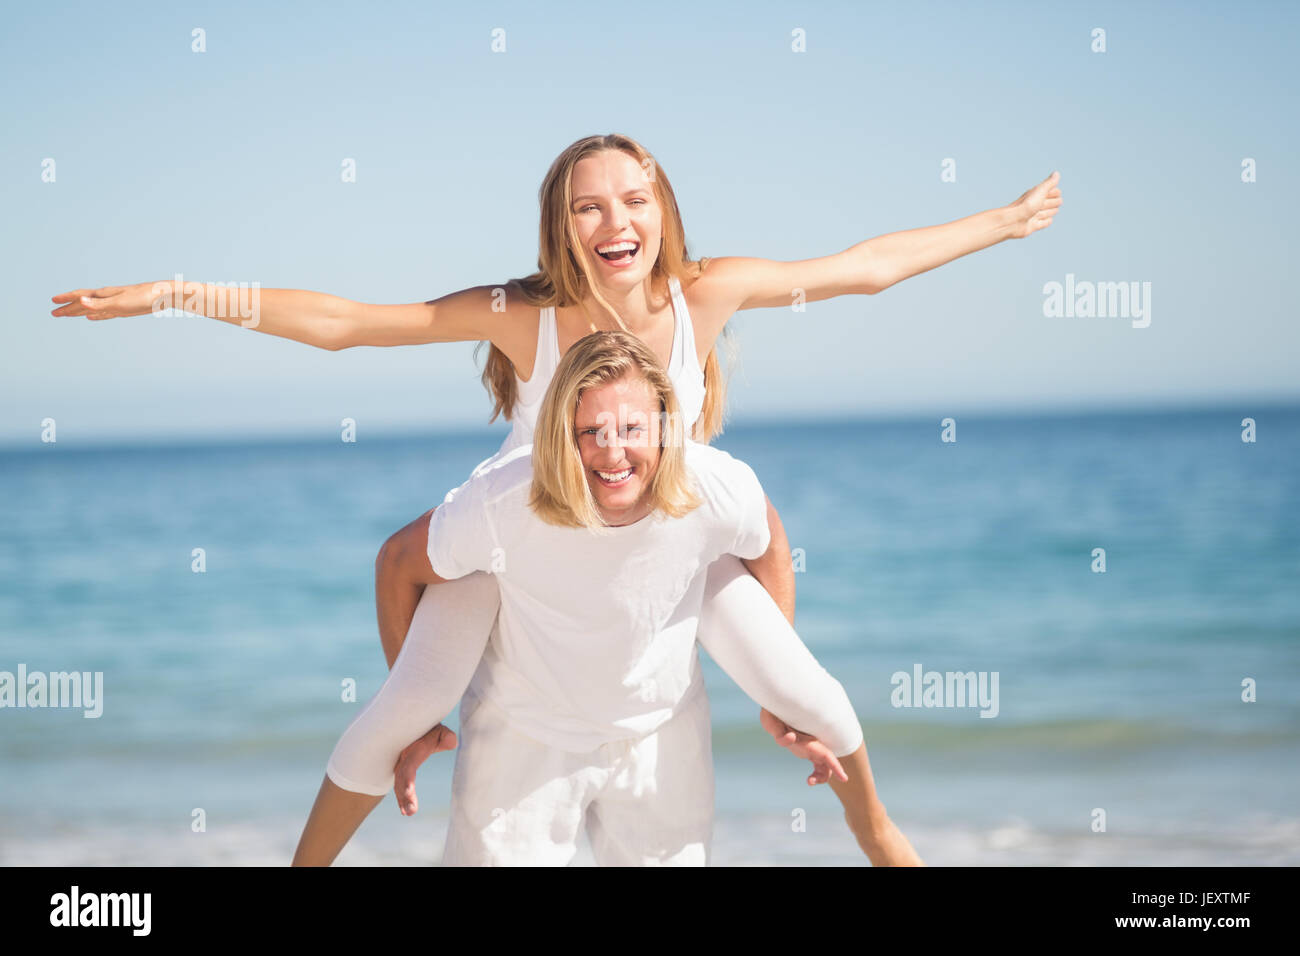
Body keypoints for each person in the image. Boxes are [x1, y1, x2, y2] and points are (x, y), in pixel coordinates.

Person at [51, 132, 1060, 856]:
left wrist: (1003, 223)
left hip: (662, 534)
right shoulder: (521, 312)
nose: (615, 221)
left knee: (813, 695)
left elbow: (864, 270)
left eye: (634, 199)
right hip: (522, 541)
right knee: (401, 706)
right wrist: (180, 293)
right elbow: (350, 323)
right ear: (560, 226)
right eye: (588, 205)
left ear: (662, 209)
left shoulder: (702, 291)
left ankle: (878, 833)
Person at [294, 330, 921, 865]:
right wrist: (419, 714)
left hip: (659, 733)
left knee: (819, 699)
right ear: (560, 436)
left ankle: (876, 832)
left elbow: (770, 541)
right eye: (589, 431)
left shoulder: (713, 487)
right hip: (523, 738)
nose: (612, 450)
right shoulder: (504, 502)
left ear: (666, 426)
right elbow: (397, 562)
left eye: (631, 428)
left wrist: (775, 691)